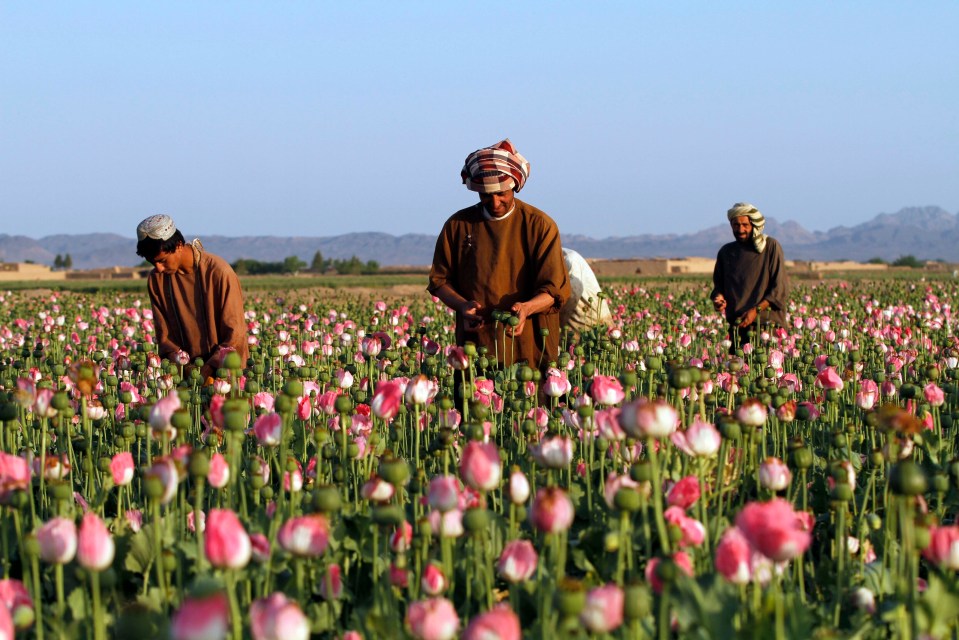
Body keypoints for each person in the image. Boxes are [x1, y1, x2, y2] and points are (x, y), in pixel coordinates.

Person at [428, 139, 571, 368]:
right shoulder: (458, 225)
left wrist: (526, 308)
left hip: (530, 342)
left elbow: (556, 290)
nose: (494, 202)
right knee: (473, 401)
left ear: (514, 185)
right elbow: (439, 281)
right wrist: (463, 306)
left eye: (501, 193)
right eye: (486, 195)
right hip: (477, 343)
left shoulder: (540, 225)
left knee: (530, 400)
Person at [135, 214, 249, 379]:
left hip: (225, 375)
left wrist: (209, 368)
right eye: (153, 263)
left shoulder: (218, 273)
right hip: (186, 375)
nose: (158, 268)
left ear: (179, 246)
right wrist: (185, 368)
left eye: (163, 260)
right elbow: (164, 336)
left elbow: (234, 333)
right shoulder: (157, 280)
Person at [710, 202, 789, 348]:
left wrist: (756, 311)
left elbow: (779, 289)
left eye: (745, 224)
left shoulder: (770, 247)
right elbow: (718, 287)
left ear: (754, 224)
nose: (740, 229)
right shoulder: (726, 252)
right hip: (738, 329)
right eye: (736, 225)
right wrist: (718, 298)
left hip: (767, 328)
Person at [561, 248, 612, 334]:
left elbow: (574, 293)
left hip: (587, 309)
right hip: (575, 312)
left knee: (596, 338)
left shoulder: (570, 259)